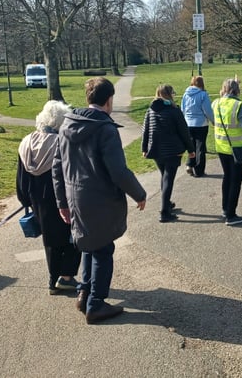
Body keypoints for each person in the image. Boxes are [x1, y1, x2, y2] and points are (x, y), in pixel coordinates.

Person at [53, 77, 147, 324]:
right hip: (100, 199)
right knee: (103, 249)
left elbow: (57, 167)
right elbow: (118, 171)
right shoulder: (105, 129)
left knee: (89, 246)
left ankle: (84, 294)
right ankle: (96, 304)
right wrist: (139, 193)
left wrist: (62, 202)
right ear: (108, 100)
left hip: (75, 197)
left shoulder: (66, 125)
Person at [17, 100, 81, 295]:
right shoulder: (62, 143)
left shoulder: (26, 142)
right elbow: (69, 173)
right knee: (73, 236)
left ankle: (53, 279)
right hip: (60, 198)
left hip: (37, 199)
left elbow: (21, 177)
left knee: (51, 240)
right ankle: (67, 277)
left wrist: (25, 201)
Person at [142, 84, 195, 223]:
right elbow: (184, 132)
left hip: (156, 149)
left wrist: (144, 148)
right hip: (173, 150)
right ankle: (165, 211)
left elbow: (146, 130)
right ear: (169, 94)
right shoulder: (174, 110)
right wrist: (191, 149)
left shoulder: (151, 110)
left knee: (164, 176)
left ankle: (167, 203)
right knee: (168, 179)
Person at [212, 78, 242, 225]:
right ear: (236, 90)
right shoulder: (238, 105)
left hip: (221, 146)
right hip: (236, 147)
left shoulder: (216, 103)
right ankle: (231, 214)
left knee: (227, 178)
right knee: (236, 181)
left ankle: (225, 208)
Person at [181, 76, 214, 177]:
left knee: (191, 146)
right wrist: (213, 121)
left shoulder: (186, 94)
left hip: (188, 123)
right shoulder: (203, 95)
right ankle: (199, 170)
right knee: (200, 147)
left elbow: (183, 109)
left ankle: (189, 164)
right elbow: (207, 110)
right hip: (200, 124)